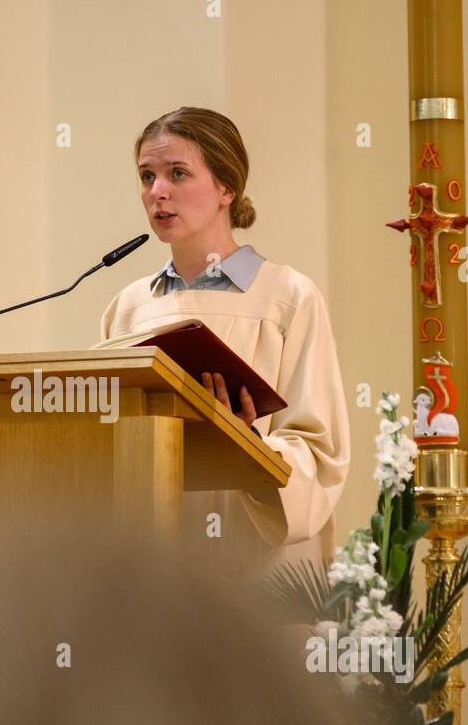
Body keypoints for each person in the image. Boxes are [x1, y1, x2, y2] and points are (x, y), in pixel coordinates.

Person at [95, 107, 350, 575]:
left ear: (226, 188)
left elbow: (319, 453)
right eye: (147, 176)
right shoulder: (129, 307)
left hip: (252, 561)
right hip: (151, 560)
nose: (158, 192)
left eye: (177, 173)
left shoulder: (288, 297)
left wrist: (245, 443)